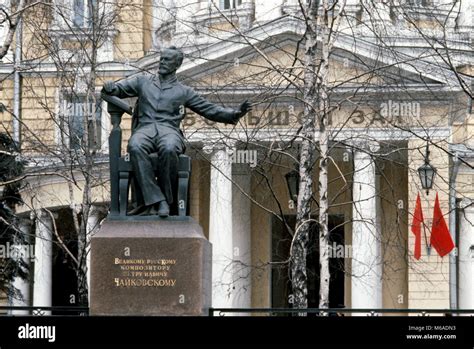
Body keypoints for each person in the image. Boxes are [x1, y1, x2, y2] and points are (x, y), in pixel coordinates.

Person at [103, 46, 252, 217]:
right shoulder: (142, 81)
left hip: (169, 131)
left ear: (176, 65)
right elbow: (118, 89)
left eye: (167, 60)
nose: (162, 62)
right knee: (135, 146)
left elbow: (209, 109)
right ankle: (159, 201)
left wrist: (235, 114)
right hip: (145, 129)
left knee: (169, 148)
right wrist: (110, 87)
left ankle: (166, 199)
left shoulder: (184, 91)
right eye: (162, 58)